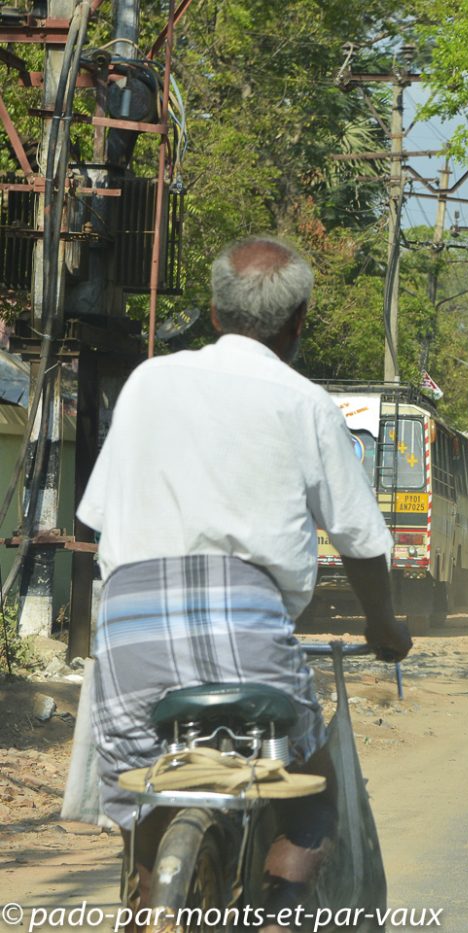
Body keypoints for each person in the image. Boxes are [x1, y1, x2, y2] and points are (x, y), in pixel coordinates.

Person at [78, 236, 412, 932]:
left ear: (212, 311)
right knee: (311, 791)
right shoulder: (306, 402)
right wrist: (384, 629)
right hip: (247, 625)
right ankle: (280, 918)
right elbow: (359, 539)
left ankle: (147, 900)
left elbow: (99, 515)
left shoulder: (148, 380)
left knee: (147, 790)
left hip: (127, 622)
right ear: (298, 322)